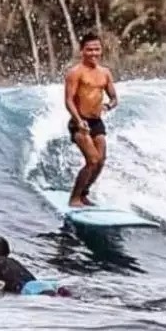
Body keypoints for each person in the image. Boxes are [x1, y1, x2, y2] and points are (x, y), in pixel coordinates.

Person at [64, 32, 118, 207]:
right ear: (82, 51)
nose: (94, 53)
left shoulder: (105, 73)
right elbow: (68, 100)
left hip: (96, 122)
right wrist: (78, 120)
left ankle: (84, 194)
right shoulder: (75, 73)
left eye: (97, 49)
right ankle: (74, 198)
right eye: (89, 50)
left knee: (101, 161)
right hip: (80, 122)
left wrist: (107, 106)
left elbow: (114, 99)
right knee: (92, 160)